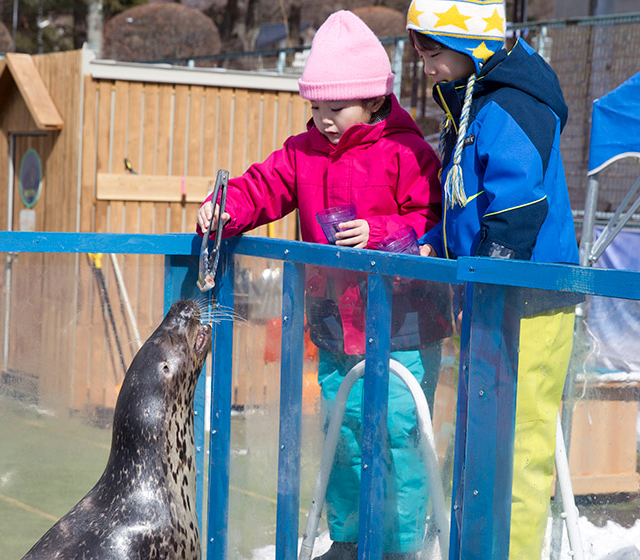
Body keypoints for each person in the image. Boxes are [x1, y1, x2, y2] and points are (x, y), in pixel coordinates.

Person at [197, 10, 452, 560]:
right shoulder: (303, 151)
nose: (325, 120)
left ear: (376, 102)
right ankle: (351, 537)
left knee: (397, 435)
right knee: (341, 433)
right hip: (336, 322)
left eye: (336, 108)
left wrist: (383, 234)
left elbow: (435, 224)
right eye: (315, 108)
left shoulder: (408, 153)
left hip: (403, 324)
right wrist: (226, 207)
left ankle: (401, 545)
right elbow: (263, 185)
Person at [406, 1, 579, 558]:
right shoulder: (473, 102)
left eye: (432, 53)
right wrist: (435, 244)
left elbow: (517, 210)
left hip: (528, 302)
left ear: (471, 45)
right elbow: (471, 205)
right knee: (483, 440)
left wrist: (486, 287)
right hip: (490, 299)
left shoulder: (511, 104)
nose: (426, 68)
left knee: (518, 448)